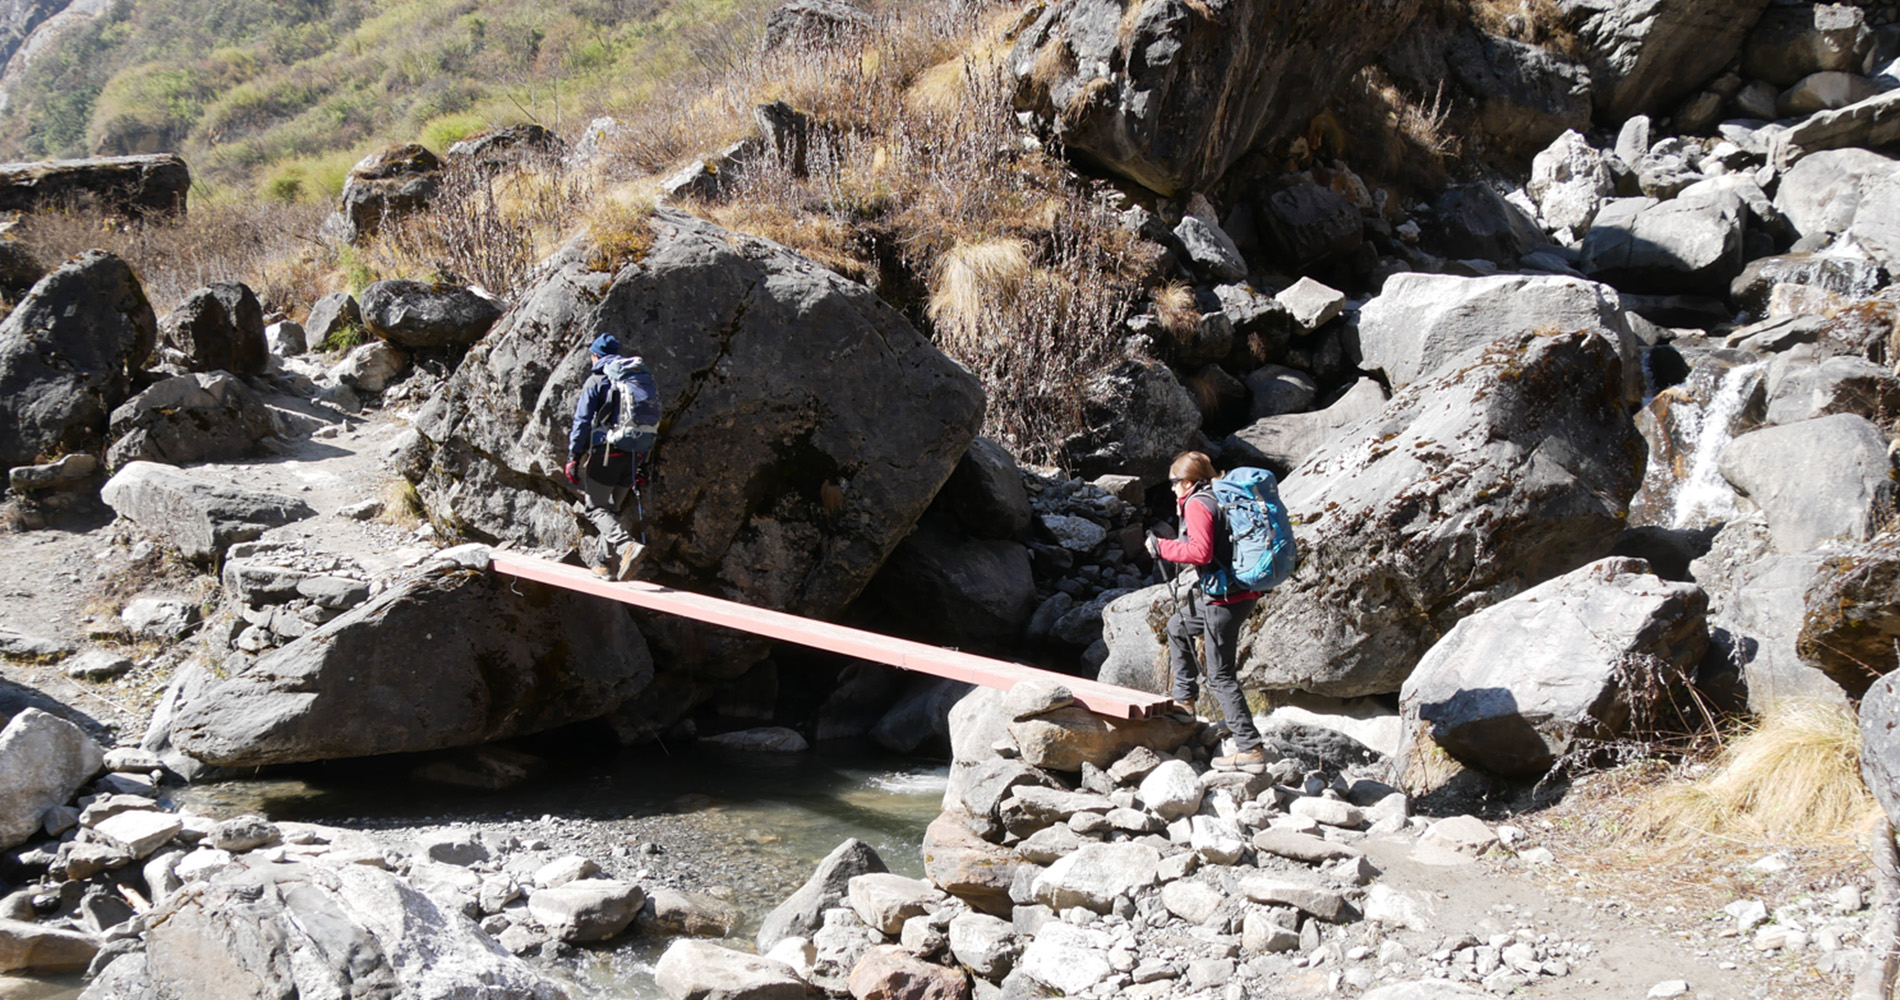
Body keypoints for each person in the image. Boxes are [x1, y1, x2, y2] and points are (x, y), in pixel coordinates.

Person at [1146, 450, 1269, 773]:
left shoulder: (1199, 504)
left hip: (1225, 599)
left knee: (1221, 675)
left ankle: (1250, 748)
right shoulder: (1218, 496)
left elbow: (1200, 552)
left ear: (1187, 482)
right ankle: (1185, 700)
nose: (1172, 489)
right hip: (1235, 593)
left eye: (1174, 483)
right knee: (1178, 626)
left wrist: (1163, 547)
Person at [565, 333, 653, 580]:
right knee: (611, 510)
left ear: (595, 356)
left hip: (607, 454)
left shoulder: (596, 381)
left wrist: (574, 455)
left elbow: (582, 421)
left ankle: (626, 547)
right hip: (635, 454)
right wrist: (643, 464)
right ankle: (604, 564)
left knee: (595, 509)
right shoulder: (637, 380)